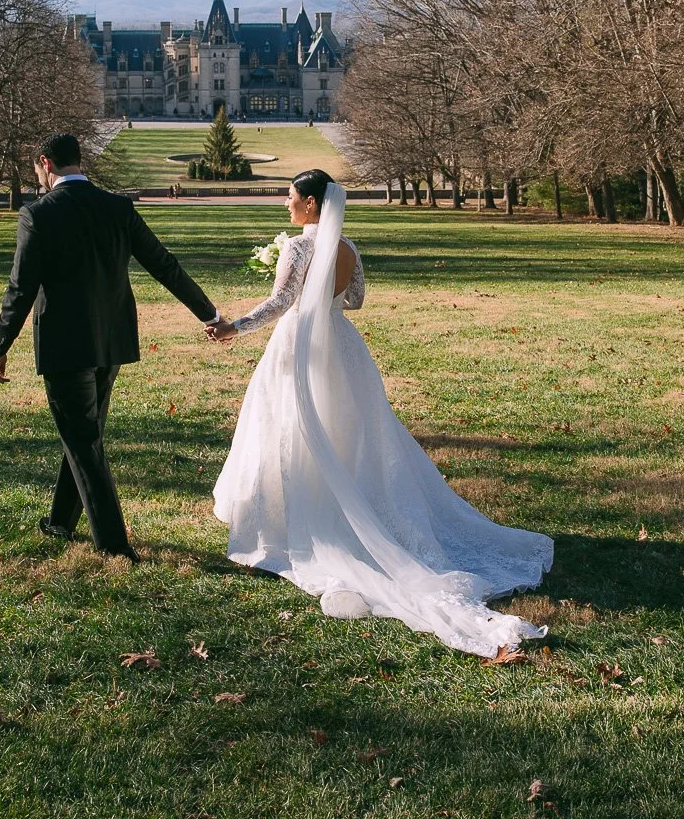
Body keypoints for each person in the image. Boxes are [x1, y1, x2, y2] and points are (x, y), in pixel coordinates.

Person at [205, 169, 553, 655]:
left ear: (309, 204)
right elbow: (358, 300)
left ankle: (296, 517)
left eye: (290, 199)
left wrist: (234, 327)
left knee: (292, 426)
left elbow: (281, 301)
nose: (286, 206)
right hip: (343, 345)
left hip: (303, 346)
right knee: (348, 430)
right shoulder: (347, 247)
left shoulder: (299, 248)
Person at [0, 133, 223, 561]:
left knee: (82, 440)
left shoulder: (38, 214)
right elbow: (163, 263)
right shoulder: (116, 208)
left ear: (46, 163)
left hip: (64, 344)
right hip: (111, 341)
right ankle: (61, 521)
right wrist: (208, 314)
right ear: (79, 161)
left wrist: (0, 342)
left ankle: (114, 546)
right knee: (84, 435)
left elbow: (21, 287)